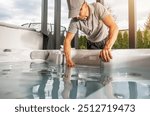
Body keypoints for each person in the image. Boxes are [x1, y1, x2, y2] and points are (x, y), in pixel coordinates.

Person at [64, 0, 119, 67]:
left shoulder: (97, 7)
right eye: (74, 14)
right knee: (94, 69)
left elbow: (114, 27)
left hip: (105, 41)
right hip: (91, 44)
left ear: (85, 4)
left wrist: (107, 47)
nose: (77, 16)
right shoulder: (74, 21)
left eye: (79, 11)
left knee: (108, 67)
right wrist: (68, 59)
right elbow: (67, 40)